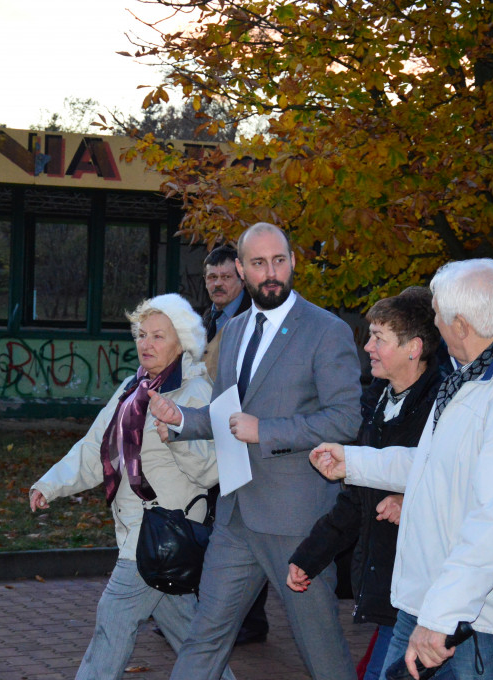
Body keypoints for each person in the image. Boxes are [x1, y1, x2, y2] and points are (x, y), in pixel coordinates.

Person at [310, 258, 493, 680]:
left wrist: (442, 616)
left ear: (461, 325)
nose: (432, 323)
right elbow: (437, 465)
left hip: (485, 621)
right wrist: (356, 462)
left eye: (437, 314)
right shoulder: (471, 374)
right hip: (433, 601)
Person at [150, 222, 362, 680]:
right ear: (242, 270)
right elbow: (228, 414)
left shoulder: (327, 331)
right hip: (235, 515)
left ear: (293, 263)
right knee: (205, 635)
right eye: (260, 263)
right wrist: (183, 421)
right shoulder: (235, 330)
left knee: (321, 651)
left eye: (280, 261)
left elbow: (345, 419)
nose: (272, 272)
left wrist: (265, 430)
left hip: (296, 522)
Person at [28, 293, 236, 680]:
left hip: (163, 531)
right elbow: (96, 447)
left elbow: (212, 471)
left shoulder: (197, 391)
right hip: (142, 533)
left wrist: (176, 430)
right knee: (193, 639)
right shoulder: (133, 387)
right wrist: (50, 485)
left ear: (182, 341)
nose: (146, 344)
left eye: (158, 336)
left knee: (113, 619)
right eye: (142, 335)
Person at [287, 289, 446, 680]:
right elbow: (356, 498)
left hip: (426, 589)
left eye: (379, 338)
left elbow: (452, 479)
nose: (368, 346)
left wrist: (410, 500)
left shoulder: (443, 405)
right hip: (391, 587)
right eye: (370, 335)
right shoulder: (377, 401)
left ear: (414, 348)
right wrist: (309, 555)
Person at [201, 244, 269, 646]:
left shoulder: (252, 322)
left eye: (226, 277)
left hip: (245, 442)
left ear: (241, 278)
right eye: (212, 277)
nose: (218, 284)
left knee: (246, 529)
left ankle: (249, 618)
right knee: (217, 525)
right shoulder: (207, 319)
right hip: (209, 436)